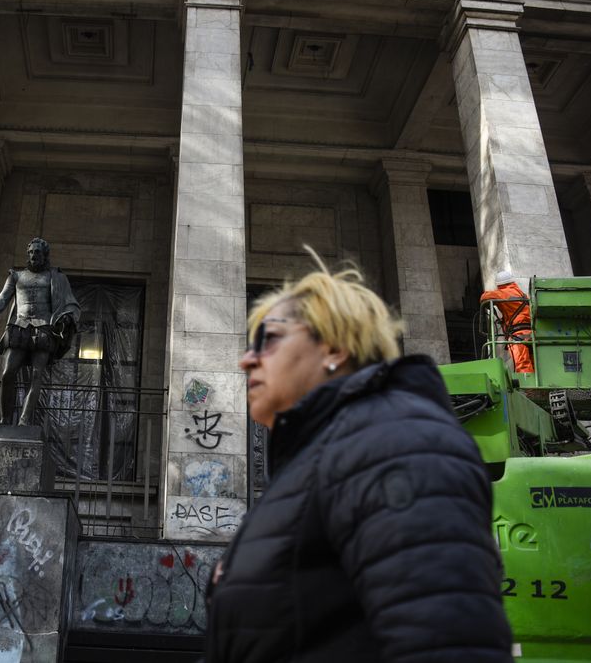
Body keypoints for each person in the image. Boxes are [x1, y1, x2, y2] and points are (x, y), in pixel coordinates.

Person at [205, 251, 513, 663]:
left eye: (269, 339)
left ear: (333, 347)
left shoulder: (394, 440)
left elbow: (448, 642)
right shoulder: (319, 460)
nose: (246, 359)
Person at [0, 237, 80, 425]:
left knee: (36, 375)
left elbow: (71, 303)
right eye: (31, 252)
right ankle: (5, 418)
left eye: (37, 252)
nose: (34, 256)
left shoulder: (56, 277)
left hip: (44, 329)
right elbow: (1, 300)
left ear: (45, 255)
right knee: (8, 372)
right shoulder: (16, 276)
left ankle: (24, 420)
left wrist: (68, 317)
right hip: (19, 326)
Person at [480, 269, 534, 373]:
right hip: (531, 334)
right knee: (533, 362)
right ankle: (537, 388)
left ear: (499, 285)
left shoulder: (502, 293)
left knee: (522, 363)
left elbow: (484, 297)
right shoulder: (523, 295)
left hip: (517, 334)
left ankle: (529, 388)